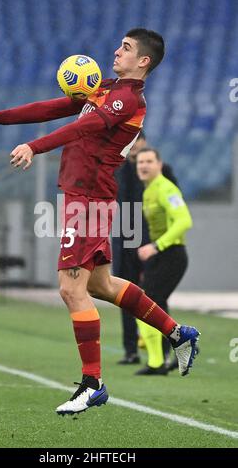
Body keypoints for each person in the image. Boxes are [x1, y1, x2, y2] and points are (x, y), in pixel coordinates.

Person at [0, 28, 200, 416]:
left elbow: (83, 127)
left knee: (71, 289)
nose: (117, 51)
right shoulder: (104, 86)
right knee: (100, 285)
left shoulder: (126, 99)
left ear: (144, 61)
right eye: (119, 44)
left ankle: (92, 383)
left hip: (89, 200)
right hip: (81, 197)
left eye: (127, 48)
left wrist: (35, 146)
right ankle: (178, 333)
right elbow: (53, 107)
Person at [135, 147, 193, 375]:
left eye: (149, 161)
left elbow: (184, 220)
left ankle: (159, 361)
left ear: (159, 164)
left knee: (145, 304)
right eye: (140, 162)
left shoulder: (166, 189)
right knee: (156, 305)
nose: (144, 166)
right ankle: (165, 358)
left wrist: (156, 246)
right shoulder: (148, 191)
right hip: (160, 256)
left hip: (173, 254)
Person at [113, 130, 147, 365]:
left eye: (138, 146)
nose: (134, 150)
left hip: (147, 242)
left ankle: (163, 349)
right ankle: (130, 350)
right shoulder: (119, 169)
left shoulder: (156, 172)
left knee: (153, 295)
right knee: (125, 297)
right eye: (131, 146)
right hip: (123, 240)